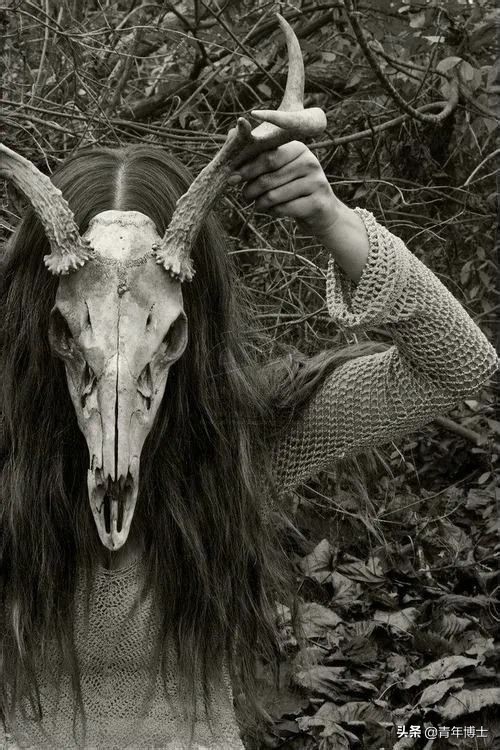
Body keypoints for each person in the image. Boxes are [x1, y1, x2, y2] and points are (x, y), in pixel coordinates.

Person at [0, 141, 497, 749]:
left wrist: (332, 219)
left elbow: (457, 366)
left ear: (192, 325)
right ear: (41, 319)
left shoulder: (240, 446)